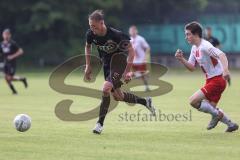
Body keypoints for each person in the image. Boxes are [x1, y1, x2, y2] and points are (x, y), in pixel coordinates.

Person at [84, 10, 156, 134]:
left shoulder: (116, 35)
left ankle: (99, 124)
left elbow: (131, 51)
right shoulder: (91, 34)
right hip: (107, 66)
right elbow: (87, 46)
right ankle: (145, 101)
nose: (92, 28)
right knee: (118, 96)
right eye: (90, 26)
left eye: (94, 26)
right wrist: (88, 65)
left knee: (105, 88)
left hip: (119, 63)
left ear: (102, 23)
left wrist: (128, 71)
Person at [175, 21, 238, 132]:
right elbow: (191, 68)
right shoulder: (194, 48)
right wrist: (181, 59)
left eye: (188, 34)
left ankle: (217, 115)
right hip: (210, 80)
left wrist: (226, 70)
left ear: (196, 34)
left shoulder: (205, 46)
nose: (186, 37)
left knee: (193, 101)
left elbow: (222, 55)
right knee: (210, 108)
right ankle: (230, 124)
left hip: (217, 80)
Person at [0, 29, 28, 94]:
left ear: (10, 35)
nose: (6, 36)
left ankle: (22, 80)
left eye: (7, 34)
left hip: (12, 63)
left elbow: (21, 51)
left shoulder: (13, 43)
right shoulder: (1, 44)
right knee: (6, 78)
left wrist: (12, 56)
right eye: (5, 34)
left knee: (9, 78)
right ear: (2, 35)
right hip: (5, 63)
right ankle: (15, 90)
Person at [129, 25, 151, 91]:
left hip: (141, 60)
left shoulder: (140, 39)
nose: (132, 32)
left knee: (142, 75)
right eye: (131, 31)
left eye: (134, 30)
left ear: (136, 31)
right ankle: (126, 87)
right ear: (129, 32)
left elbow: (147, 48)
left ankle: (147, 87)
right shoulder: (130, 40)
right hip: (133, 60)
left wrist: (145, 56)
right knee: (131, 74)